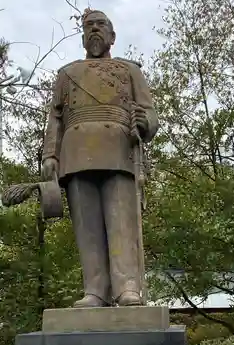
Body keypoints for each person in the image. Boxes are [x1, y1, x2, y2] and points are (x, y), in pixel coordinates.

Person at [41, 8, 159, 308]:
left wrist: (145, 124)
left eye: (101, 25)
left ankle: (127, 288)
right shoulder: (66, 74)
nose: (94, 30)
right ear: (83, 36)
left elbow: (149, 111)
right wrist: (50, 154)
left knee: (121, 222)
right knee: (88, 226)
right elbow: (55, 118)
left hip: (118, 149)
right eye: (89, 26)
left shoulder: (129, 70)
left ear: (112, 35)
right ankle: (95, 290)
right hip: (76, 151)